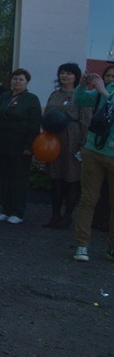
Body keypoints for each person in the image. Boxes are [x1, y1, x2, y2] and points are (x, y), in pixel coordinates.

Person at [71, 70, 114, 262]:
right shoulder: (103, 90)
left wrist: (104, 92)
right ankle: (82, 244)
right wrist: (82, 85)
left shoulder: (104, 91)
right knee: (88, 199)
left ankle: (112, 248)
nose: (110, 79)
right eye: (108, 76)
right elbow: (79, 100)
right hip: (93, 151)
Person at [0, 68, 41, 225]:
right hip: (3, 144)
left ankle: (17, 212)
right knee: (5, 178)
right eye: (15, 79)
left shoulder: (31, 99)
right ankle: (6, 210)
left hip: (20, 146)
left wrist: (29, 146)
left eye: (21, 79)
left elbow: (34, 125)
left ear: (27, 82)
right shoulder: (5, 96)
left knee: (19, 179)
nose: (17, 82)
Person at [43, 63, 89, 229]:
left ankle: (68, 216)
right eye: (62, 72)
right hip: (54, 139)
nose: (65, 76)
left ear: (76, 76)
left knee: (71, 177)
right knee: (55, 177)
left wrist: (83, 142)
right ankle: (55, 214)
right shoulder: (55, 94)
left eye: (69, 73)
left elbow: (86, 120)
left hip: (72, 137)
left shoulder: (81, 95)